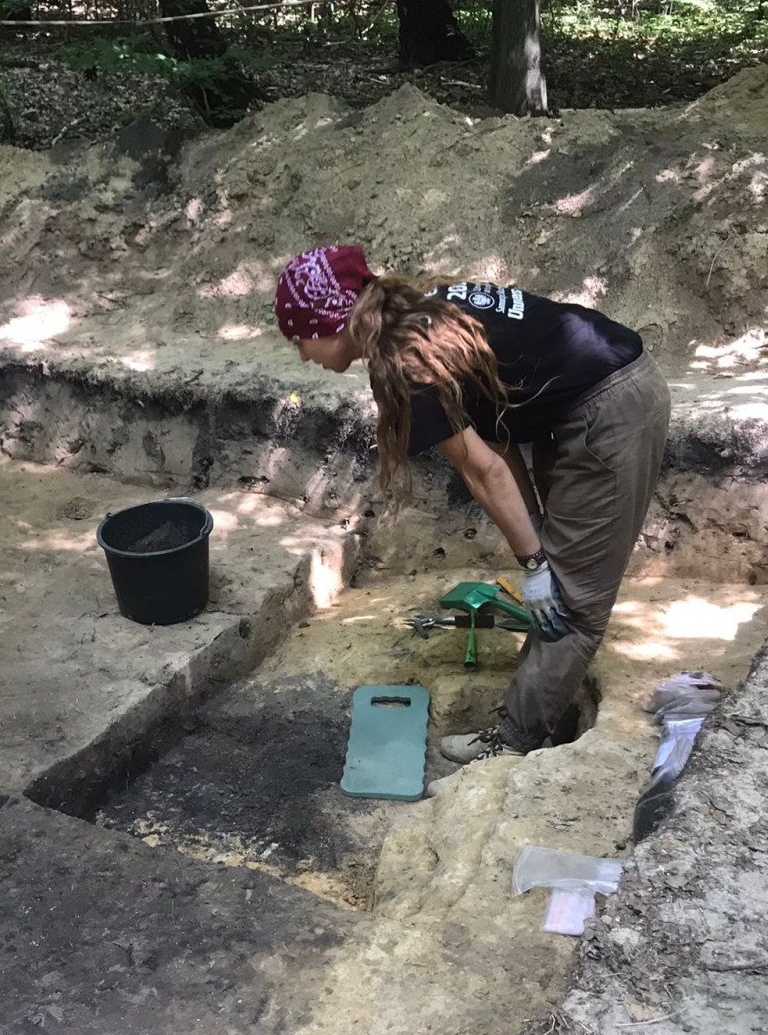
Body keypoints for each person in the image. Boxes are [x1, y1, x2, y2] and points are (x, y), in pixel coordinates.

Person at [274, 245, 670, 763]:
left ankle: (515, 741)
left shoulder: (405, 361)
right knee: (558, 570)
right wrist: (537, 547)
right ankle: (542, 704)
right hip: (582, 397)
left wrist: (536, 565)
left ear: (329, 321)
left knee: (575, 603)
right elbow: (496, 437)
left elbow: (483, 471)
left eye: (299, 338)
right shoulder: (417, 317)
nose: (303, 355)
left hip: (610, 406)